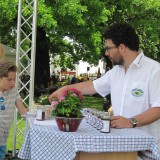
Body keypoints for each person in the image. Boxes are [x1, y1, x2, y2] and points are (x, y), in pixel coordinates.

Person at [49, 22, 160, 153]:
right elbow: (92, 86)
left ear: (122, 47)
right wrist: (64, 89)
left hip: (147, 149)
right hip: (121, 146)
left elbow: (158, 108)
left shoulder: (154, 70)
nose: (106, 53)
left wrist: (131, 122)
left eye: (108, 48)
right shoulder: (116, 71)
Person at [0, 61, 28, 159]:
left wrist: (38, 116)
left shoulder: (13, 90)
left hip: (3, 139)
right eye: (9, 79)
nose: (13, 83)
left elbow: (23, 112)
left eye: (14, 79)